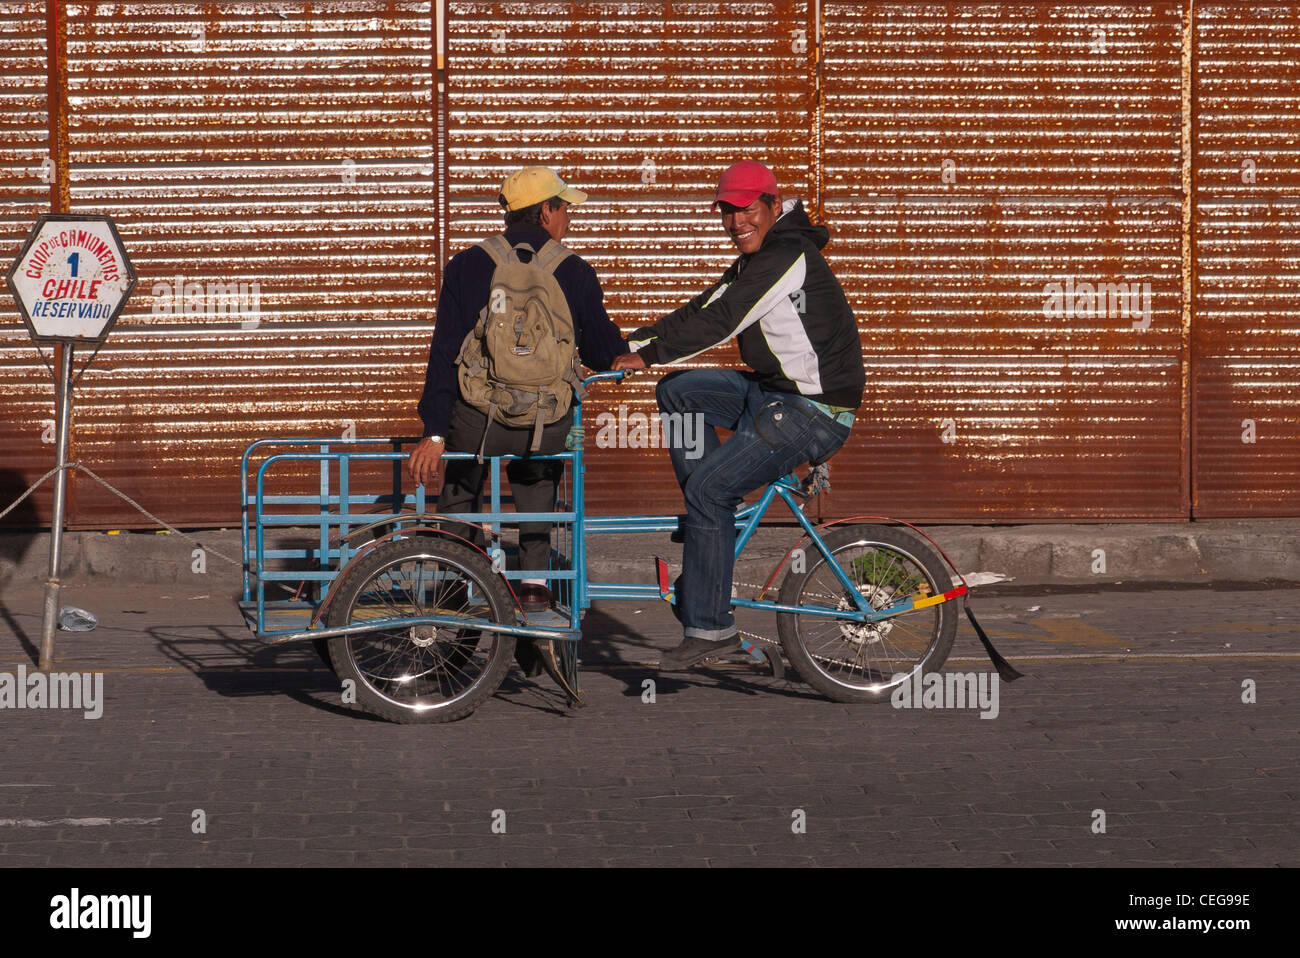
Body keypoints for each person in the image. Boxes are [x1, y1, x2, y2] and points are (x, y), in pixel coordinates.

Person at [612, 160, 865, 669]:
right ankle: (711, 518)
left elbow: (724, 322)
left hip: (813, 412)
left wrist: (647, 356)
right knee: (680, 392)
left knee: (711, 490)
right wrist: (622, 345)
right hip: (773, 394)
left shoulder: (787, 254)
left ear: (773, 206)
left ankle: (711, 630)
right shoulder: (759, 258)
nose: (735, 221)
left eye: (746, 209)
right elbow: (701, 308)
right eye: (726, 211)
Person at [408, 166, 627, 613]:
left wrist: (434, 432)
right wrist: (629, 351)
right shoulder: (575, 270)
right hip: (542, 424)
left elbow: (444, 353)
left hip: (477, 424)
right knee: (540, 468)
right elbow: (605, 350)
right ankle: (533, 583)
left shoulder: (467, 265)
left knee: (462, 476)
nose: (568, 217)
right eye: (563, 207)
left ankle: (455, 580)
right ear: (546, 211)